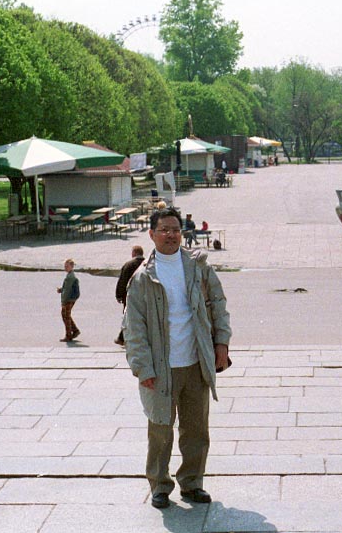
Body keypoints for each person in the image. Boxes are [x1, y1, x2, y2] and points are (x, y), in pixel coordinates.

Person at [124, 208, 232, 510]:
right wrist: (142, 367)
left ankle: (192, 483)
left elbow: (219, 304)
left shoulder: (197, 267)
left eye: (175, 229)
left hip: (196, 361)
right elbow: (134, 328)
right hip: (161, 368)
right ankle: (159, 486)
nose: (171, 234)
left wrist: (221, 341)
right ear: (152, 234)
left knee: (196, 428)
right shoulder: (143, 277)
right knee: (160, 428)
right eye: (164, 230)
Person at [114, 245, 146, 346]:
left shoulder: (128, 265)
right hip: (145, 295)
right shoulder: (148, 263)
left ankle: (122, 338)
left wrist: (119, 295)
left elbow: (122, 281)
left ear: (134, 253)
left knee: (128, 316)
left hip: (129, 295)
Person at [57, 258, 80, 342]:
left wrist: (65, 301)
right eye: (65, 266)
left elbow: (68, 290)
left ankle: (69, 335)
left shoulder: (70, 277)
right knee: (66, 316)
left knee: (66, 316)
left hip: (68, 299)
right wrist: (61, 289)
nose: (65, 268)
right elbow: (67, 288)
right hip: (69, 299)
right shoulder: (70, 276)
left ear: (71, 267)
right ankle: (75, 330)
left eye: (67, 266)